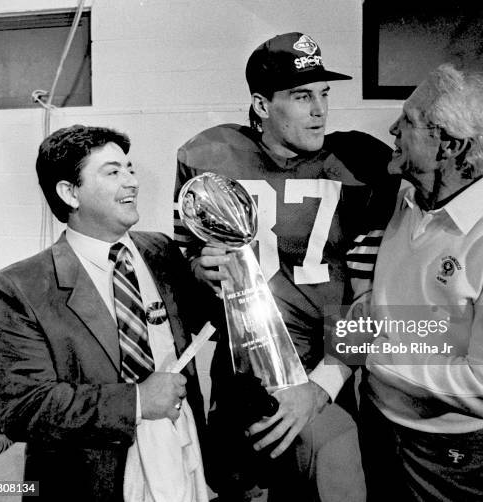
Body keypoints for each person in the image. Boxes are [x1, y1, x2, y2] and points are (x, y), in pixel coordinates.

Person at [173, 32, 400, 501]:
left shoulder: (359, 162)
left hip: (329, 365)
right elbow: (185, 267)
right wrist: (198, 268)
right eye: (301, 96)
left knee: (334, 477)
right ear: (261, 105)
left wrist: (332, 375)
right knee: (239, 485)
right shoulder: (209, 156)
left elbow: (373, 295)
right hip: (244, 367)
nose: (319, 110)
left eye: (324, 94)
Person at [354, 64, 483, 500]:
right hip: (372, 424)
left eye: (407, 120)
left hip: (448, 454)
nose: (392, 128)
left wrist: (369, 352)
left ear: (450, 145)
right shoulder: (404, 202)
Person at [0, 125, 215, 502]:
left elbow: (209, 326)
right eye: (113, 172)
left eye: (130, 168)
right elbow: (24, 408)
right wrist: (137, 400)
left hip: (180, 458)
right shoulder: (19, 287)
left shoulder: (160, 251)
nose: (132, 182)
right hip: (91, 482)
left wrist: (218, 281)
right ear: (69, 193)